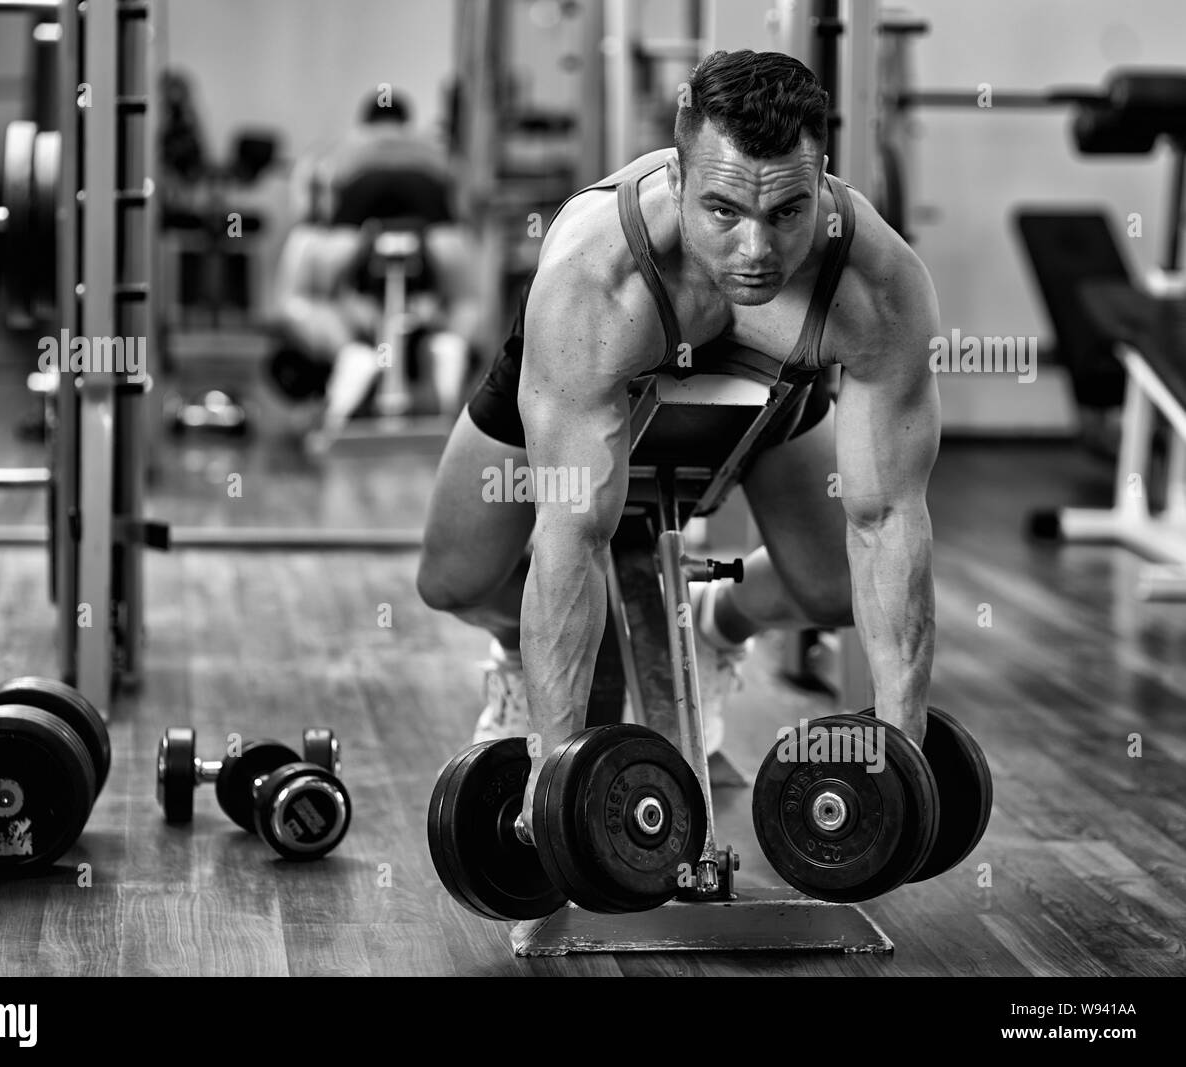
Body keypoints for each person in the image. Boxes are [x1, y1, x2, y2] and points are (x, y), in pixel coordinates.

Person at [415, 50, 941, 833]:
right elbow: (573, 534)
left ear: (823, 179)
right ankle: (524, 663)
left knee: (829, 590)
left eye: (787, 212)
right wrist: (552, 768)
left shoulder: (875, 284)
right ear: (678, 175)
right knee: (453, 581)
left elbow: (887, 519)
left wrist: (903, 760)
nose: (757, 251)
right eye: (724, 210)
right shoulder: (596, 279)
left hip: (767, 390)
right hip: (583, 377)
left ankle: (718, 621)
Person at [274, 91, 482, 455]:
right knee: (466, 302)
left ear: (364, 122)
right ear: (407, 122)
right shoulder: (438, 151)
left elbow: (305, 208)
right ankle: (448, 357)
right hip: (437, 236)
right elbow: (467, 206)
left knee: (301, 297)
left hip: (347, 237)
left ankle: (348, 356)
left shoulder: (337, 149)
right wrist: (450, 320)